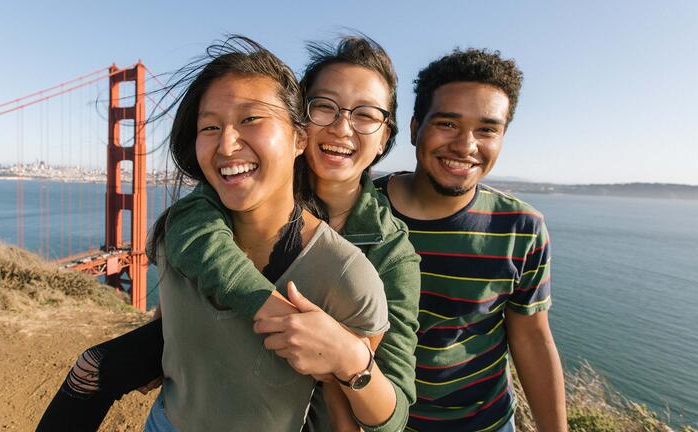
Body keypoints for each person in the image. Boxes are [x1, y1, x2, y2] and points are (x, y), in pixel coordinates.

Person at [37, 36, 420, 432]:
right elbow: (185, 223)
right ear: (301, 122)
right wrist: (260, 307)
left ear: (385, 136)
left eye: (366, 115)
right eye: (324, 106)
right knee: (91, 371)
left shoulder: (385, 256)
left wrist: (349, 359)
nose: (341, 127)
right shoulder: (231, 193)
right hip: (194, 397)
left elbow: (387, 415)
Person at [377, 48, 567, 432]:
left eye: (487, 129)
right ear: (415, 128)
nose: (466, 145)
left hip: (488, 424)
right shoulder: (361, 213)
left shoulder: (521, 227)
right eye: (447, 124)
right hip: (382, 422)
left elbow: (532, 339)